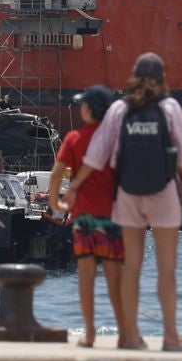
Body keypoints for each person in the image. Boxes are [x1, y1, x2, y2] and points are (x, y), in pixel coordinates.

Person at [82, 52, 182, 352]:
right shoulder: (170, 107)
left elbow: (96, 157)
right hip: (163, 192)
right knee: (166, 269)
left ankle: (130, 336)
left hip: (128, 193)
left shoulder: (119, 108)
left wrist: (76, 187)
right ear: (162, 77)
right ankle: (171, 338)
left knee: (131, 268)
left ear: (133, 75)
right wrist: (180, 183)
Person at [52, 84, 124, 347]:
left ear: (89, 109)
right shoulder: (114, 140)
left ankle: (90, 334)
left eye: (82, 104)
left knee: (86, 278)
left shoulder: (74, 138)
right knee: (115, 278)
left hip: (83, 219)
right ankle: (124, 334)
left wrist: (55, 202)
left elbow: (57, 172)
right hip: (111, 219)